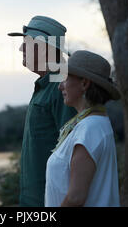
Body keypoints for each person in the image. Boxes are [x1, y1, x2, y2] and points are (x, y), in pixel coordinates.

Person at [8, 15, 77, 207]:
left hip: (50, 200)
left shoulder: (61, 86)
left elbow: (71, 150)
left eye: (26, 43)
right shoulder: (46, 84)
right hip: (36, 200)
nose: (21, 48)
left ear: (44, 48)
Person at [45, 50, 120, 207]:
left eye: (65, 78)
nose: (60, 86)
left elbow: (75, 198)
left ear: (84, 84)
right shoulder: (90, 124)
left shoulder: (89, 128)